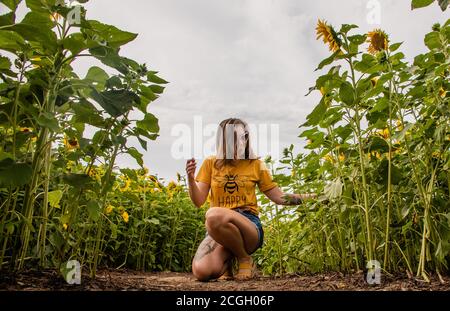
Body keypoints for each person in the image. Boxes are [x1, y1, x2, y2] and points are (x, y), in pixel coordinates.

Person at [186, 118, 317, 281]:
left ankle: (244, 258)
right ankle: (228, 261)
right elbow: (198, 201)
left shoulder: (256, 164)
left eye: (244, 136)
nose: (241, 141)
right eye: (234, 137)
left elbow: (279, 197)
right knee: (202, 271)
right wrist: (191, 179)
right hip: (218, 229)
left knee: (213, 215)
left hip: (248, 226)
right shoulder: (210, 163)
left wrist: (313, 198)